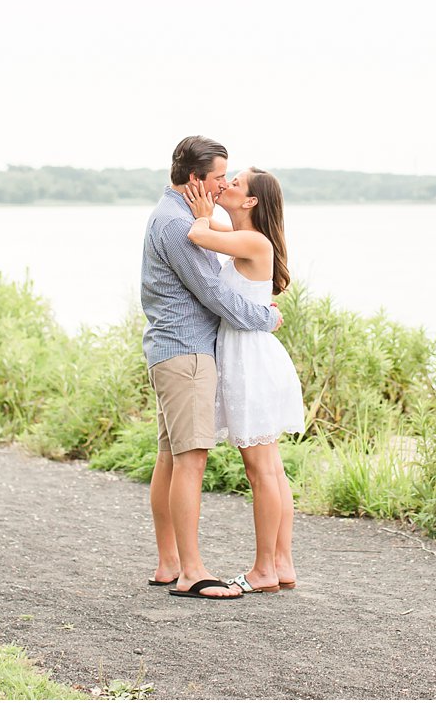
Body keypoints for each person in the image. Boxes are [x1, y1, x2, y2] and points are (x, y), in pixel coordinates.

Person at [141, 136, 283, 600]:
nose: (223, 184)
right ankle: (191, 572)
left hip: (176, 350)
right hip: (188, 352)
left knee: (171, 456)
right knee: (191, 458)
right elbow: (214, 293)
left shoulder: (179, 217)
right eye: (220, 176)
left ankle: (169, 564)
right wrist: (266, 318)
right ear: (196, 179)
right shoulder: (176, 224)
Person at [182, 167, 305, 594]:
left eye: (235, 183)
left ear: (251, 201)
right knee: (270, 469)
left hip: (251, 362)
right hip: (248, 357)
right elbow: (209, 226)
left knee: (261, 469)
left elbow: (199, 234)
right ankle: (282, 564)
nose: (225, 185)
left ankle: (263, 571)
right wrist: (203, 207)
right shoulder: (242, 237)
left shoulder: (253, 241)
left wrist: (200, 214)